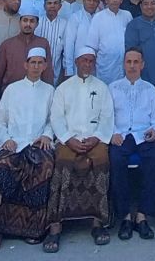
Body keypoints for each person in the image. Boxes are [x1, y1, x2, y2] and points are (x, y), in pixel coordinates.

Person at [0, 47, 56, 250]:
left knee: (43, 168)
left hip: (38, 143)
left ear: (44, 66)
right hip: (13, 143)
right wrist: (6, 139)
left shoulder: (50, 91)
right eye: (32, 62)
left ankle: (31, 227)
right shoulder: (12, 89)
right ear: (25, 65)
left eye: (39, 63)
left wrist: (46, 135)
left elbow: (53, 120)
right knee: (3, 168)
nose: (35, 66)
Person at [44, 47, 115, 252]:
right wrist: (67, 139)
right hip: (69, 140)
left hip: (95, 139)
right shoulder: (63, 88)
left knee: (101, 161)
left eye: (91, 61)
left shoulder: (102, 87)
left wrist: (97, 138)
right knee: (63, 164)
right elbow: (56, 117)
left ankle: (97, 223)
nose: (87, 64)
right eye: (84, 60)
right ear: (76, 62)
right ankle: (56, 226)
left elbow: (107, 117)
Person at [108, 48, 155, 240]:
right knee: (115, 160)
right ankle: (124, 216)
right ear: (124, 64)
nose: (132, 66)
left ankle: (142, 216)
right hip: (121, 136)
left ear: (142, 65)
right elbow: (106, 117)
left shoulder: (150, 89)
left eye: (136, 62)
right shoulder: (113, 88)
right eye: (128, 62)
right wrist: (113, 133)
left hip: (144, 135)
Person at [0, 0, 52, 105]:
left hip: (36, 96)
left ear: (37, 24)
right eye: (25, 20)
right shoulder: (7, 44)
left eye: (32, 21)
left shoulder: (43, 43)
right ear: (19, 22)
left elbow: (47, 73)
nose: (28, 24)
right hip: (9, 95)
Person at [86, 0, 132, 83]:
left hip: (124, 66)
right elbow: (92, 46)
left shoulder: (127, 15)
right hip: (105, 66)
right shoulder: (98, 17)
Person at [123, 0, 155, 88]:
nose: (149, 7)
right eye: (146, 4)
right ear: (141, 6)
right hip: (140, 77)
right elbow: (131, 51)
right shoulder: (133, 25)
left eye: (153, 3)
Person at [62, 0, 100, 77]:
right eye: (89, 0)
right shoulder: (75, 18)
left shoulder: (101, 18)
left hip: (96, 65)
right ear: (83, 1)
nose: (91, 3)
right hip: (77, 64)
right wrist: (69, 69)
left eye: (95, 1)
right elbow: (69, 44)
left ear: (98, 3)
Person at [34, 0, 68, 83]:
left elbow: (66, 51)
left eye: (55, 3)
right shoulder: (37, 22)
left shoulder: (65, 24)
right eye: (49, 3)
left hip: (55, 72)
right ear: (44, 6)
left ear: (60, 6)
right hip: (35, 69)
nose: (52, 6)